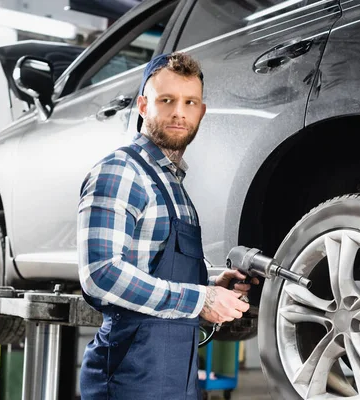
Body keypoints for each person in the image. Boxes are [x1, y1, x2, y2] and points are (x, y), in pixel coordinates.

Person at [77, 52, 259, 399]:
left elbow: (151, 263)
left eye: (190, 102)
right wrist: (200, 298)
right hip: (129, 378)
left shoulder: (174, 185)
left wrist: (210, 282)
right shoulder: (121, 171)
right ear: (144, 105)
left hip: (179, 376)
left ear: (201, 112)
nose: (179, 111)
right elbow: (100, 274)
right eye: (167, 100)